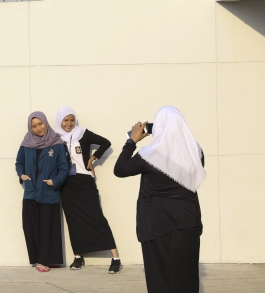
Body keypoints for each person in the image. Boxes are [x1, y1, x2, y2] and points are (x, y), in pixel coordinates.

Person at [113, 106, 206, 293]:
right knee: (186, 279)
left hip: (157, 227)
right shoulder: (196, 153)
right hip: (188, 223)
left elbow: (120, 169)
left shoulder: (150, 155)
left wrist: (131, 141)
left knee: (161, 280)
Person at [54, 106, 122, 273]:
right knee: (73, 220)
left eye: (71, 120)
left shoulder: (83, 133)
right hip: (66, 183)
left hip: (84, 180)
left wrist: (93, 158)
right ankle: (78, 256)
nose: (69, 124)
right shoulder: (56, 138)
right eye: (65, 120)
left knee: (97, 217)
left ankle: (116, 258)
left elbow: (106, 142)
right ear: (60, 121)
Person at [15, 111, 69, 272]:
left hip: (48, 191)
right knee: (30, 226)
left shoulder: (57, 143)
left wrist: (55, 181)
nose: (38, 128)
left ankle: (45, 261)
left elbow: (64, 168)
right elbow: (19, 162)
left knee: (48, 227)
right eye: (34, 126)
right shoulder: (26, 143)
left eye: (40, 124)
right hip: (31, 191)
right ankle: (39, 258)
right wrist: (22, 175)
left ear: (46, 122)